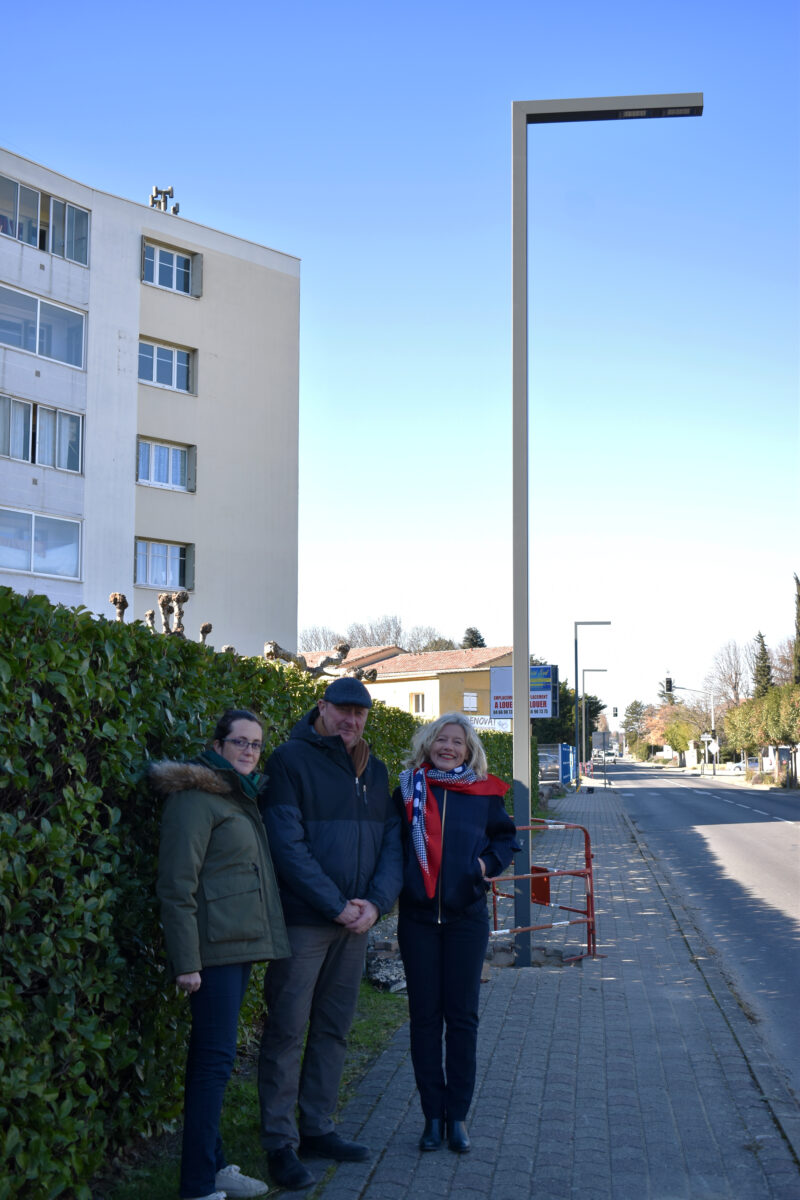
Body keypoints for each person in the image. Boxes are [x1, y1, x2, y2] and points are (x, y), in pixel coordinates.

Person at [257, 676, 402, 1191]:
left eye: (360, 713)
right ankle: (279, 1143)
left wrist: (375, 905)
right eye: (343, 710)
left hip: (355, 924)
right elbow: (286, 845)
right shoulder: (289, 761)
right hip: (305, 922)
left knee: (334, 1030)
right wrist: (336, 905)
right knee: (287, 1032)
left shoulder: (375, 769)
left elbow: (392, 845)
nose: (352, 720)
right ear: (321, 707)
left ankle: (317, 1127)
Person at [154, 709, 290, 1200]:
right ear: (216, 745)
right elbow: (176, 885)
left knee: (214, 1061)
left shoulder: (237, 795)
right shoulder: (196, 799)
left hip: (235, 947)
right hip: (211, 954)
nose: (250, 751)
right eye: (240, 742)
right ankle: (195, 1186)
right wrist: (187, 961)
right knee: (212, 1064)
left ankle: (212, 1166)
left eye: (256, 743)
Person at [394, 712, 518, 1154]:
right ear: (428, 744)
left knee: (462, 1019)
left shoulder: (484, 794)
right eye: (441, 740)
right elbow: (394, 847)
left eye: (458, 743)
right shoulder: (407, 790)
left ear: (469, 752)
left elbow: (505, 841)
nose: (448, 747)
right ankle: (432, 1117)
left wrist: (483, 866)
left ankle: (458, 1117)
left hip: (466, 920)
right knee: (425, 1018)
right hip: (419, 921)